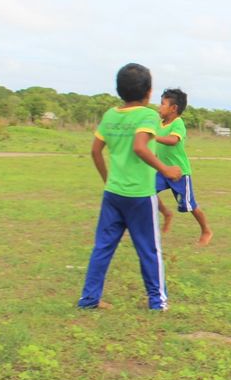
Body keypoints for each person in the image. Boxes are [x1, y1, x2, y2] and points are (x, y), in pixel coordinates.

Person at [76, 63, 182, 311]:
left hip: (113, 194)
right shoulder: (147, 116)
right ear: (148, 91)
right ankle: (157, 302)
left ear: (119, 90)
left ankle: (89, 299)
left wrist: (108, 179)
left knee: (102, 247)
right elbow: (140, 147)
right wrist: (166, 170)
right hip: (139, 196)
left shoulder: (111, 115)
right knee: (149, 250)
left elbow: (95, 151)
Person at [154, 88, 213, 245]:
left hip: (179, 174)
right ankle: (166, 213)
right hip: (161, 170)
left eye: (162, 104)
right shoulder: (158, 124)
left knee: (189, 205)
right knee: (147, 192)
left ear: (173, 108)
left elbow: (173, 140)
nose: (159, 107)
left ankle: (206, 230)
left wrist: (154, 137)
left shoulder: (178, 124)